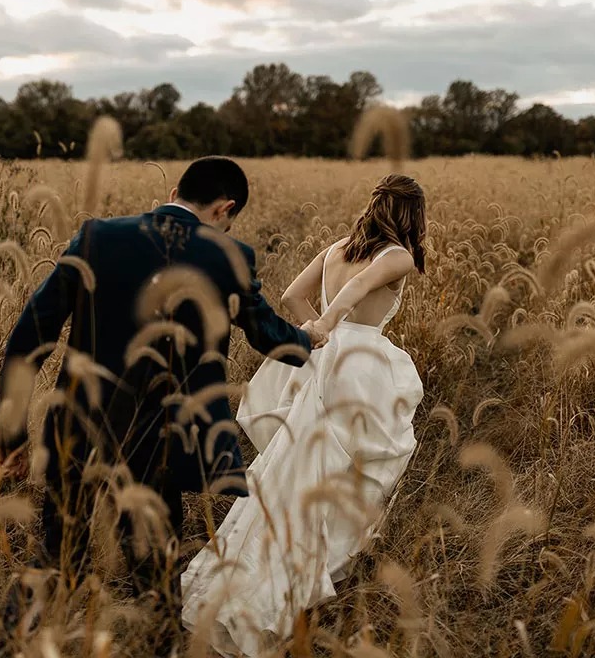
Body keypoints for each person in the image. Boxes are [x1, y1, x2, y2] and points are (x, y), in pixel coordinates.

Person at [0, 156, 323, 656]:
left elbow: (28, 337)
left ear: (175, 189)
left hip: (78, 428)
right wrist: (309, 338)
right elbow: (269, 335)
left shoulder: (97, 236)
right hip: (163, 443)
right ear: (224, 208)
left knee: (57, 556)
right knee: (158, 573)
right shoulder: (228, 255)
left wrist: (10, 435)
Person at [180, 173, 427, 658]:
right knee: (351, 471)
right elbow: (359, 287)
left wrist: (319, 333)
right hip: (361, 368)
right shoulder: (397, 255)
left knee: (294, 472)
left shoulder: (336, 247)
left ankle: (257, 577)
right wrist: (335, 325)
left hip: (327, 362)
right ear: (412, 214)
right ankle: (297, 580)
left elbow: (292, 296)